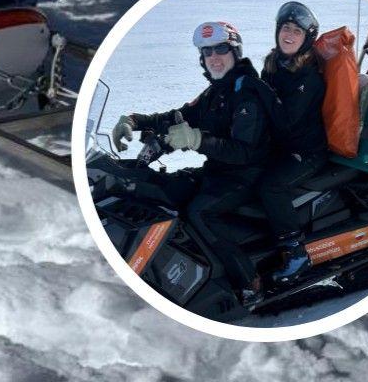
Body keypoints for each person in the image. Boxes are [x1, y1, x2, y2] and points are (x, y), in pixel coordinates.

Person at [111, 21, 273, 303]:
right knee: (165, 191)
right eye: (207, 52)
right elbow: (178, 116)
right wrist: (134, 121)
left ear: (235, 51)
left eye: (221, 49)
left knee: (201, 213)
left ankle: (250, 282)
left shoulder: (248, 93)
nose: (214, 57)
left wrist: (197, 140)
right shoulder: (217, 91)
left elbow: (245, 152)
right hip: (218, 173)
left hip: (247, 177)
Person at [257, 1, 327, 285]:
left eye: (296, 31)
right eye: (285, 27)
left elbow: (284, 120)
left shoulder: (307, 75)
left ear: (306, 38)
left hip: (307, 151)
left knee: (270, 185)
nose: (289, 34)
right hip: (282, 145)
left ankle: (295, 251)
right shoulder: (273, 65)